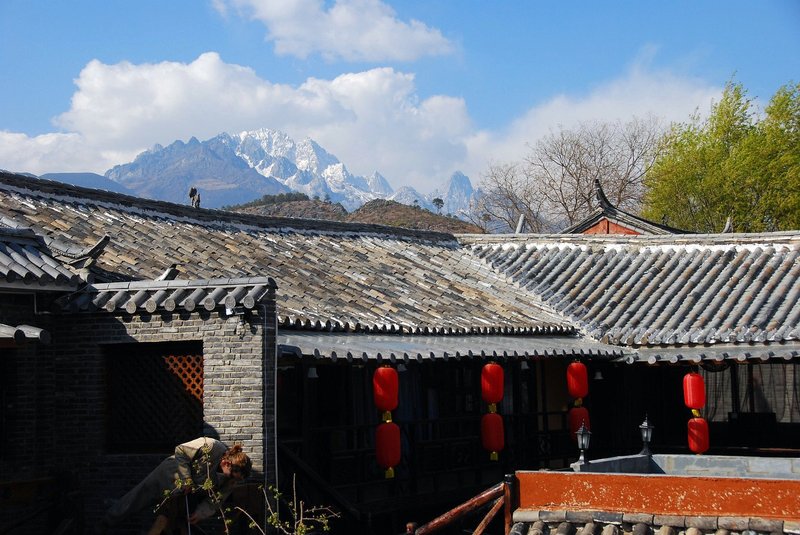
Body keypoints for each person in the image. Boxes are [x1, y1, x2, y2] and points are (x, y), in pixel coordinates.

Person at [96, 437, 251, 534]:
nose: (232, 480)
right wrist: (186, 480)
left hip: (182, 495)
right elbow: (181, 451)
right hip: (169, 475)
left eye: (236, 479)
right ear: (226, 463)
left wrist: (200, 513)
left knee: (166, 517)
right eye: (231, 475)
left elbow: (215, 501)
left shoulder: (230, 480)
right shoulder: (210, 445)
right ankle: (105, 522)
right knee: (137, 499)